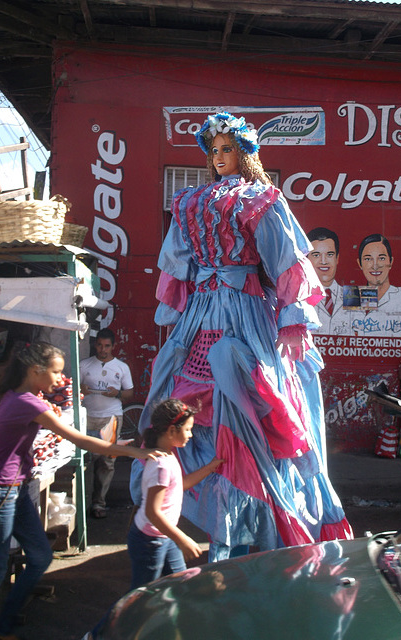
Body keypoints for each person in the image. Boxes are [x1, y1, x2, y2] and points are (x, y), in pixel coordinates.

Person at [140, 111, 352, 562]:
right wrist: (181, 306)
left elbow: (285, 259)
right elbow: (176, 260)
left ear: (245, 151)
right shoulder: (191, 202)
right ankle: (216, 515)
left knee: (255, 402)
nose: (219, 157)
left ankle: (256, 523)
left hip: (244, 314)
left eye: (227, 149)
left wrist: (291, 318)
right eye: (213, 150)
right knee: (196, 407)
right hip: (203, 311)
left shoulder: (262, 200)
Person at [0, 342, 163, 640]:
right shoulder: (28, 402)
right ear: (36, 371)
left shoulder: (21, 397)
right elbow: (80, 440)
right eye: (56, 372)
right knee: (2, 565)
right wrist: (129, 452)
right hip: (4, 490)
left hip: (17, 488)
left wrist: (119, 447)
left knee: (39, 555)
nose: (60, 379)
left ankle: (5, 620)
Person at [128, 398, 223, 590]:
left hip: (163, 535)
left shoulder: (167, 455)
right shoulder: (161, 465)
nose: (190, 435)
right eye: (188, 429)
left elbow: (180, 485)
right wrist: (182, 539)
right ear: (172, 431)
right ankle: (119, 620)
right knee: (142, 594)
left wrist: (210, 468)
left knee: (180, 584)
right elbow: (153, 513)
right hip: (150, 541)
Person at [80, 328, 134, 519]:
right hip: (87, 417)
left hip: (111, 418)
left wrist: (117, 393)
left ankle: (99, 503)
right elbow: (72, 389)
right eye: (100, 345)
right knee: (85, 460)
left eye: (107, 346)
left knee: (107, 462)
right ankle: (83, 502)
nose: (103, 350)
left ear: (113, 346)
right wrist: (81, 389)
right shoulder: (84, 365)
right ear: (95, 344)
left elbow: (129, 393)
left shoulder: (121, 368)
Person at [353, 233, 401, 337]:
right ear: (360, 264)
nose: (375, 266)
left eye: (382, 258)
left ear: (391, 261)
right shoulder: (354, 295)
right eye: (368, 259)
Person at [307, 227, 351, 335]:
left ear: (337, 258)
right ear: (307, 259)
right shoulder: (299, 297)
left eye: (330, 255)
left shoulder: (353, 295)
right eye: (316, 255)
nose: (323, 261)